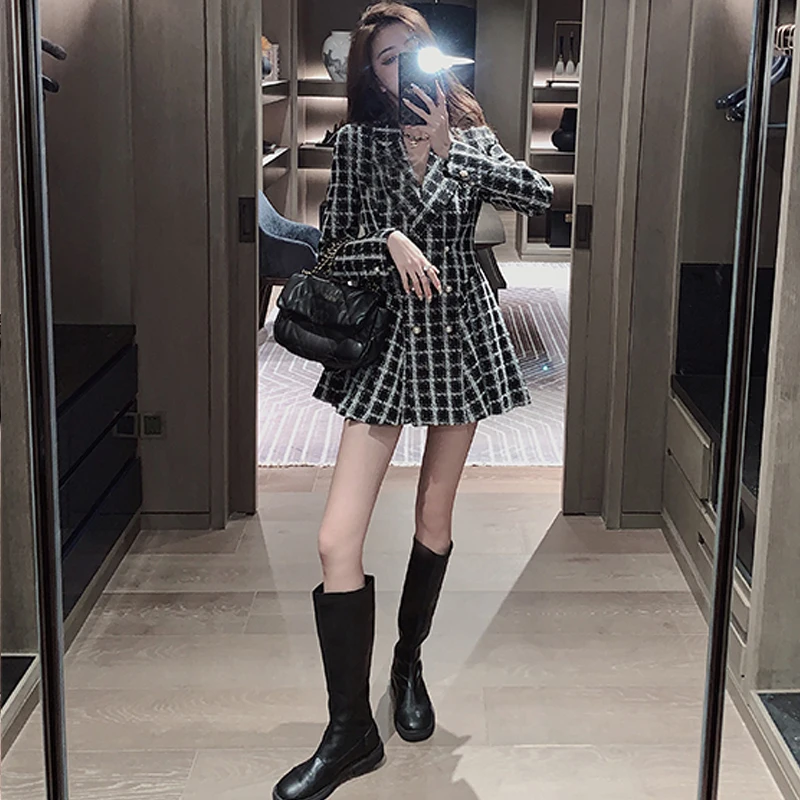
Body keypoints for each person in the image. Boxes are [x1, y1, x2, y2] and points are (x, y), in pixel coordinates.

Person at [272, 3, 553, 799]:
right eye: (386, 59)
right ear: (370, 71)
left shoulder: (468, 135)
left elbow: (536, 191)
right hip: (385, 343)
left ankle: (407, 664)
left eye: (412, 53)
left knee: (435, 518)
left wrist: (448, 151)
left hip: (458, 337)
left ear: (435, 59)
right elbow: (333, 247)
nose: (402, 69)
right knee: (336, 539)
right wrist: (388, 240)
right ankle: (349, 732)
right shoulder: (357, 142)